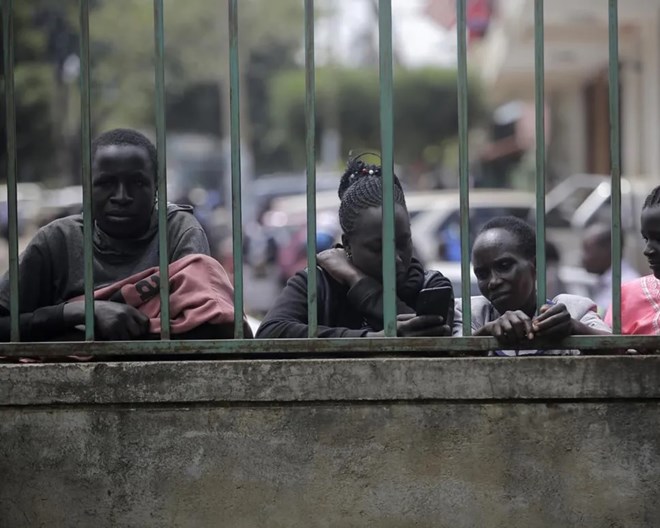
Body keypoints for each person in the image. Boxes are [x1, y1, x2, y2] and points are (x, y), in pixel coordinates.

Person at [0, 128, 240, 341]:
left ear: (156, 186)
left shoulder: (178, 231)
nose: (122, 196)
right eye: (106, 183)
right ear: (88, 186)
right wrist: (82, 312)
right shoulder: (58, 239)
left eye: (136, 183)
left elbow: (202, 327)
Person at [256, 157, 454, 338]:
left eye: (403, 243)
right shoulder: (319, 284)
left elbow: (428, 336)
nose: (396, 258)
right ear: (348, 244)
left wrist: (359, 282)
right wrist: (371, 340)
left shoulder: (431, 286)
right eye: (378, 248)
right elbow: (270, 333)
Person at [454, 216, 610, 355]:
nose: (493, 281)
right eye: (482, 274)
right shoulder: (471, 314)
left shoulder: (574, 309)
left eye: (504, 266)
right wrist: (486, 334)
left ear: (535, 265)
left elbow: (617, 347)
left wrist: (574, 328)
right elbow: (451, 353)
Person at [606, 186, 660, 334]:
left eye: (659, 239)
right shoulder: (627, 297)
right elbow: (607, 351)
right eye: (646, 239)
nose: (647, 250)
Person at [582, 222, 639, 314]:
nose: (583, 258)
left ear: (608, 249)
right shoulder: (604, 282)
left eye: (587, 250)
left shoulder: (626, 284)